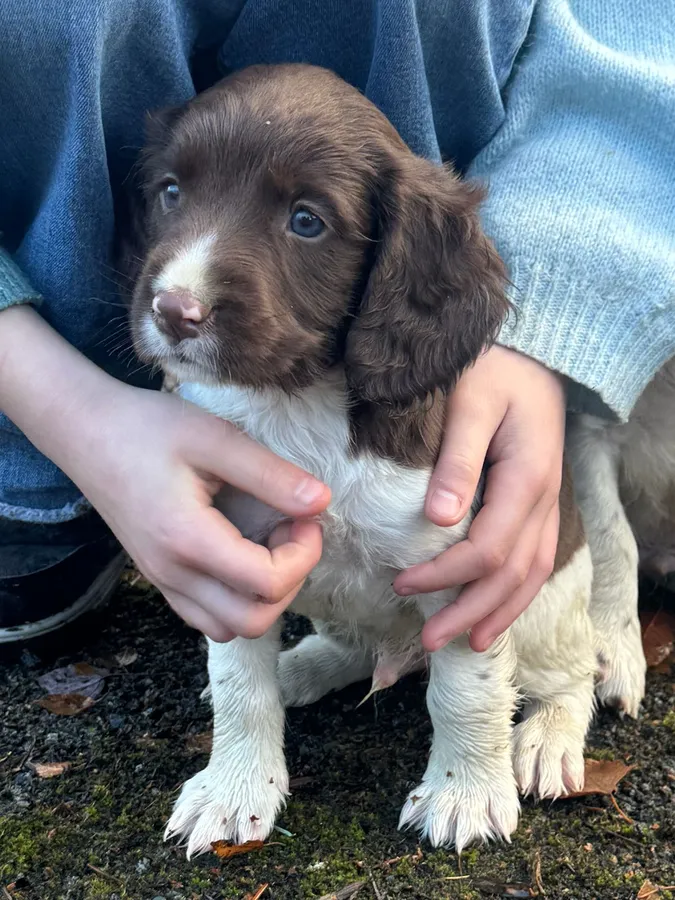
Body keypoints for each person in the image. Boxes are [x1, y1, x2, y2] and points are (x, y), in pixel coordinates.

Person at [1, 0, 673, 653]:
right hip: (51, 351)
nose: (186, 291)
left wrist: (545, 313)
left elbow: (636, 25)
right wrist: (64, 408)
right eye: (172, 193)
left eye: (304, 219)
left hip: (427, 320)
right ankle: (34, 481)